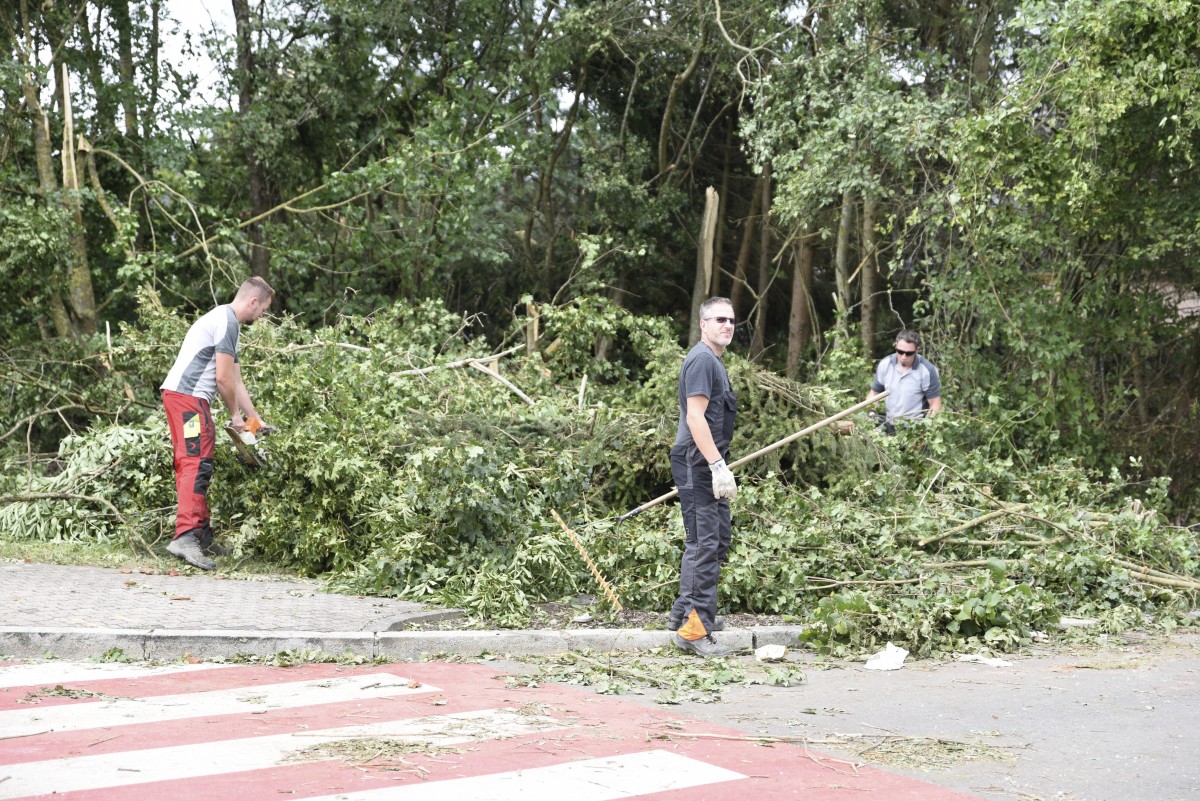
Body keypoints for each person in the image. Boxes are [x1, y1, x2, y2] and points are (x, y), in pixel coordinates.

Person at [160, 277, 274, 570]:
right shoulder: (227, 321)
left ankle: (200, 534)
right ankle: (184, 537)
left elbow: (236, 379)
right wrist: (236, 417)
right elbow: (222, 379)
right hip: (187, 399)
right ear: (253, 302)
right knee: (194, 463)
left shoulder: (228, 325)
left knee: (202, 463)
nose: (260, 317)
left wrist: (254, 418)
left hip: (192, 400)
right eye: (262, 311)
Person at [667, 297, 738, 658]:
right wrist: (716, 465)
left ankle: (684, 613)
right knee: (704, 542)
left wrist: (719, 463)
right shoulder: (701, 361)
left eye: (731, 320)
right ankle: (694, 629)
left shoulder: (713, 361)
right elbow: (696, 418)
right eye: (719, 319)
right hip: (698, 463)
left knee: (717, 537)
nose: (727, 325)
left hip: (706, 462)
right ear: (703, 324)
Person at [867, 329, 942, 433]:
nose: (903, 357)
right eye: (900, 352)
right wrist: (871, 412)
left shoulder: (927, 370)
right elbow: (874, 393)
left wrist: (927, 430)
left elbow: (935, 404)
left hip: (915, 429)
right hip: (889, 425)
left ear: (917, 350)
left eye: (909, 353)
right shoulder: (885, 364)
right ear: (896, 345)